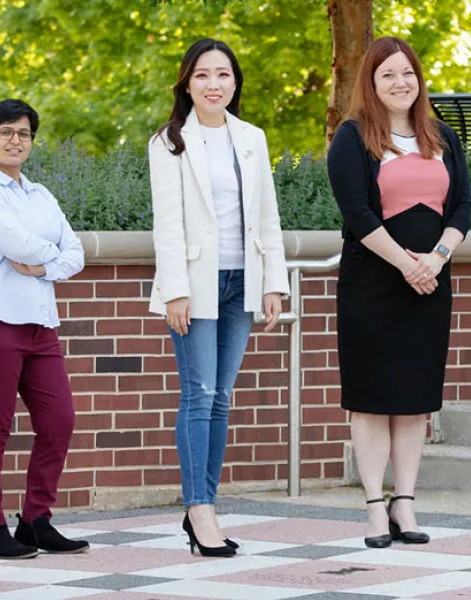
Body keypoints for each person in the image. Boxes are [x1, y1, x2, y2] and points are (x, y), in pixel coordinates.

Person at [327, 36, 471, 549]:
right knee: (370, 400)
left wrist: (436, 258)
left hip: (431, 283)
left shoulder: (442, 137)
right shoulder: (352, 137)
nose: (399, 82)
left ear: (418, 78)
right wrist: (406, 265)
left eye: (406, 72)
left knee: (413, 402)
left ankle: (404, 503)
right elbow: (358, 215)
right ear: (371, 81)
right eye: (387, 74)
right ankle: (372, 506)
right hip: (373, 285)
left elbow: (461, 210)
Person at [148, 39, 290, 557]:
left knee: (222, 397)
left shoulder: (250, 137)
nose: (214, 84)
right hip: (195, 285)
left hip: (242, 281)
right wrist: (176, 291)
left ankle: (205, 504)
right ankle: (199, 508)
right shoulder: (169, 142)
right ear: (187, 82)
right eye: (203, 75)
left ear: (236, 82)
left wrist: (274, 281)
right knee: (199, 394)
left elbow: (267, 216)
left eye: (223, 75)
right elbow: (167, 223)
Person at [0, 99, 89, 559]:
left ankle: (35, 520)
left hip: (39, 323)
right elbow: (15, 243)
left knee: (59, 421)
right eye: (6, 132)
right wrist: (50, 255)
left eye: (24, 133)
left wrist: (43, 266)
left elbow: (76, 253)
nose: (17, 140)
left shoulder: (41, 195)